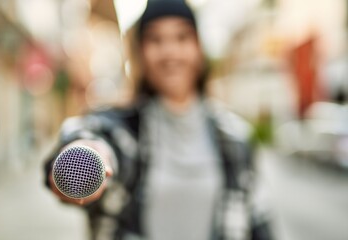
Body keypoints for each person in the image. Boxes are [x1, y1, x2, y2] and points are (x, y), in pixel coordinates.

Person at [44, 1, 272, 239]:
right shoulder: (124, 128)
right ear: (140, 52)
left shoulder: (235, 137)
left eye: (181, 37)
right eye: (155, 39)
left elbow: (258, 219)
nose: (170, 51)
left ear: (198, 48)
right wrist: (89, 154)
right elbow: (93, 136)